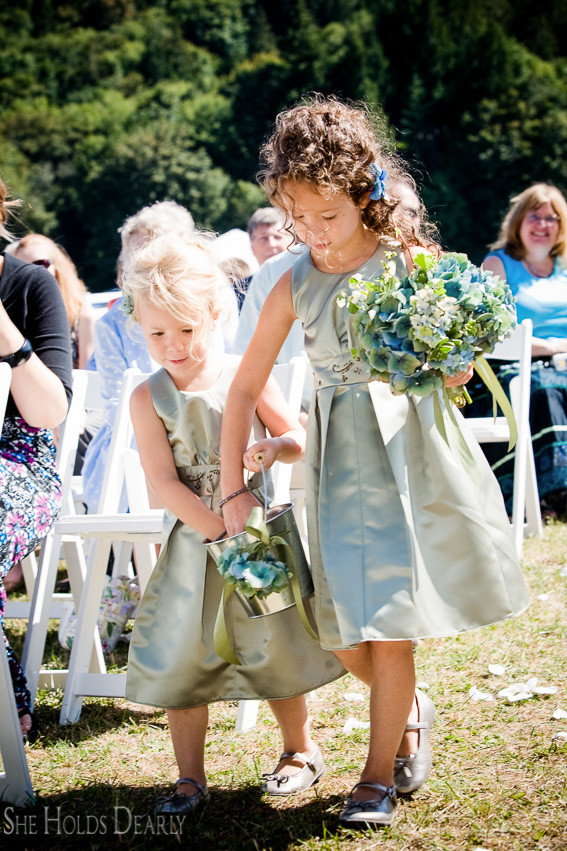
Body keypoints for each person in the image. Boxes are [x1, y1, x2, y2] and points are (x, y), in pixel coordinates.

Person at [219, 96, 530, 828]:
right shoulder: (294, 280)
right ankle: (408, 706)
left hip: (401, 456)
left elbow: (455, 369)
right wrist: (234, 484)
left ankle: (374, 774)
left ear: (365, 194)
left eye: (326, 216)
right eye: (297, 218)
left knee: (389, 622)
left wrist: (452, 360)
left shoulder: (410, 263)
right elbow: (241, 387)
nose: (313, 234)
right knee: (334, 625)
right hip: (329, 464)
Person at [122, 232, 344, 815]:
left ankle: (299, 748)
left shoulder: (243, 374)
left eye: (186, 330)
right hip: (197, 543)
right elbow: (163, 483)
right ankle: (190, 777)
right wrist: (216, 532)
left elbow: (296, 434)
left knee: (275, 642)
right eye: (157, 334)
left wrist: (275, 449)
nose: (173, 346)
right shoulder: (148, 397)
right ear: (140, 328)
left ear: (215, 314)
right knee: (185, 650)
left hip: (256, 540)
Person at [0, 179, 72, 738]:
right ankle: (10, 699)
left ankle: (7, 704)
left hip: (21, 461)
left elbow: (49, 413)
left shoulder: (29, 287)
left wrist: (5, 332)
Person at [81, 200, 202, 513]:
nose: (140, 265)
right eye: (132, 256)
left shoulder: (206, 311)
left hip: (201, 428)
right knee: (138, 461)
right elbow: (113, 405)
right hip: (133, 440)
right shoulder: (112, 324)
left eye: (150, 253)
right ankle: (150, 558)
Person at [480, 183, 567, 518]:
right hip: (517, 364)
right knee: (545, 389)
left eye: (551, 218)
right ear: (518, 221)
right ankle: (551, 494)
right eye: (535, 216)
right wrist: (550, 348)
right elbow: (491, 332)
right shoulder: (497, 264)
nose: (542, 225)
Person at [6, 234, 96, 369]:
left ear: (58, 266)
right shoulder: (9, 317)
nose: (33, 273)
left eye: (41, 263)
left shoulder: (82, 315)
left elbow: (89, 378)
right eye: (22, 267)